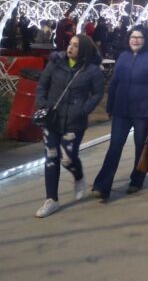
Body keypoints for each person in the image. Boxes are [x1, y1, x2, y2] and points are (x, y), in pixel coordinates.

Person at [91, 25, 148, 201]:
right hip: (121, 111)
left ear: (146, 40)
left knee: (141, 147)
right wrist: (109, 106)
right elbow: (114, 83)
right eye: (133, 37)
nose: (135, 40)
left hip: (143, 113)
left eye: (139, 37)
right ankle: (102, 186)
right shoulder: (123, 57)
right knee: (114, 147)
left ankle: (137, 180)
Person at [34, 34, 105, 217]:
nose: (70, 48)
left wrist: (84, 109)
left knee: (67, 158)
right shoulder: (55, 63)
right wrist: (42, 104)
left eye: (76, 45)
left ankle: (78, 175)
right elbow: (42, 85)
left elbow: (98, 93)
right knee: (51, 157)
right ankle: (51, 199)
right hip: (52, 119)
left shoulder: (92, 70)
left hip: (74, 122)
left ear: (84, 50)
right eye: (70, 44)